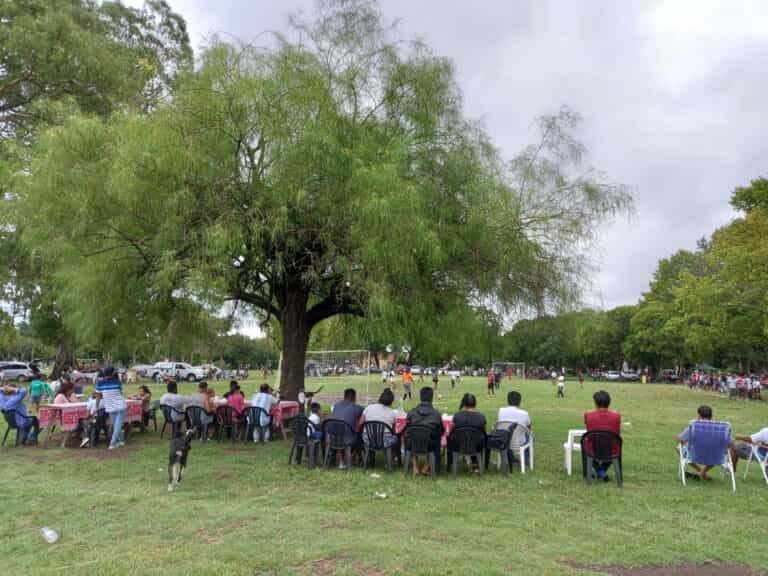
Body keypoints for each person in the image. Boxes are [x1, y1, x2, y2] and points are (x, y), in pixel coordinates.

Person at [677, 405, 731, 480]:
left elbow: (679, 440)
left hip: (695, 456)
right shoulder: (722, 428)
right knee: (717, 451)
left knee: (678, 448)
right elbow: (730, 443)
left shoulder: (694, 426)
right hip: (717, 457)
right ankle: (702, 473)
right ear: (711, 416)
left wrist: (686, 443)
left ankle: (700, 472)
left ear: (699, 415)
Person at [405, 387, 444, 475]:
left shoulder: (412, 412)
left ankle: (416, 466)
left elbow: (407, 428)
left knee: (412, 438)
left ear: (420, 397)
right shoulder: (436, 414)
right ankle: (426, 467)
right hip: (429, 444)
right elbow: (441, 431)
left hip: (412, 443)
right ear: (432, 397)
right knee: (437, 441)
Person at [584, 390, 621, 481]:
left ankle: (600, 471)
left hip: (593, 449)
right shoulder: (617, 416)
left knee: (585, 446)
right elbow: (617, 432)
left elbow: (588, 427)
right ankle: (601, 472)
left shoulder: (588, 415)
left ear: (596, 403)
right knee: (615, 448)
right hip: (611, 449)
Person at [448, 393, 486, 472]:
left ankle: (450, 463)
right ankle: (476, 464)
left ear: (464, 403)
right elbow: (484, 432)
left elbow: (451, 430)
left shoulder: (457, 416)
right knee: (478, 438)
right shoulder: (481, 417)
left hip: (458, 445)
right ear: (475, 403)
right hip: (476, 446)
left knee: (450, 438)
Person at [361, 388, 399, 466]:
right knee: (397, 438)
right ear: (391, 402)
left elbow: (360, 423)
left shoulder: (369, 408)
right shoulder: (392, 413)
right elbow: (394, 431)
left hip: (368, 439)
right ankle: (392, 459)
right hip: (385, 441)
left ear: (380, 398)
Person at [496, 390, 532, 466]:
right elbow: (529, 428)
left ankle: (511, 459)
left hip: (504, 440)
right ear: (519, 401)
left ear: (508, 401)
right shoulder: (524, 414)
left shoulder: (501, 411)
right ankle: (525, 461)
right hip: (518, 441)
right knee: (530, 435)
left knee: (509, 433)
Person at [95, 366, 127, 450]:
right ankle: (121, 441)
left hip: (111, 407)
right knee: (117, 426)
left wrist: (96, 407)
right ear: (113, 373)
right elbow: (120, 392)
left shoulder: (99, 383)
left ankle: (112, 444)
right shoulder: (117, 382)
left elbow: (98, 396)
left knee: (116, 426)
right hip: (120, 406)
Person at [329, 388, 364, 467]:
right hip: (347, 438)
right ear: (354, 397)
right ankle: (352, 459)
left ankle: (341, 461)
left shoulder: (336, 405)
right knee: (359, 437)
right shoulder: (358, 408)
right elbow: (363, 419)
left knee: (341, 432)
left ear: (344, 396)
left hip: (332, 437)